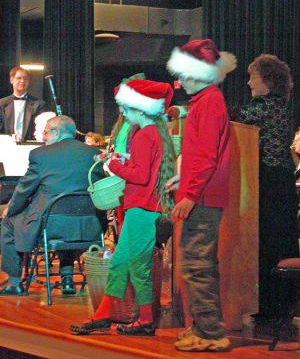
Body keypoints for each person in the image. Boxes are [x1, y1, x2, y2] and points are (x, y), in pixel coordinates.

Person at [70, 79, 175, 336]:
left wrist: (112, 165)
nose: (123, 113)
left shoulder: (143, 135)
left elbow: (139, 176)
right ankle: (103, 315)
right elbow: (148, 169)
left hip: (142, 208)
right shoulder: (156, 133)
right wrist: (122, 159)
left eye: (126, 108)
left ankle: (147, 321)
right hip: (147, 206)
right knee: (119, 263)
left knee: (137, 266)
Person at [165, 39, 237, 352]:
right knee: (199, 263)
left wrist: (189, 193)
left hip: (204, 197)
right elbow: (202, 154)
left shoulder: (209, 102)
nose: (180, 81)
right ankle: (203, 327)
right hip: (203, 192)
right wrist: (183, 177)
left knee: (197, 265)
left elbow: (207, 155)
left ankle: (211, 333)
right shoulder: (206, 101)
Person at [0, 115, 104, 296]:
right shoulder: (91, 154)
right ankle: (67, 279)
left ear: (56, 132)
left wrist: (11, 209)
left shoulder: (40, 154)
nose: (43, 136)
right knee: (68, 223)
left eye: (46, 132)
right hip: (87, 225)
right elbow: (101, 187)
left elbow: (24, 190)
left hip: (50, 226)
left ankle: (15, 282)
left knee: (8, 222)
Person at [233, 54, 299, 322]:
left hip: (271, 181)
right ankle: (278, 305)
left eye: (253, 77)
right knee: (278, 240)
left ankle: (274, 307)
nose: (249, 82)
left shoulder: (266, 107)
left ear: (268, 81)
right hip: (278, 179)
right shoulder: (278, 106)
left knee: (270, 241)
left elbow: (234, 116)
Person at [0, 67, 47, 141]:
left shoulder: (39, 104)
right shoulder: (2, 103)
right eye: (19, 78)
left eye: (25, 78)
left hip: (30, 145)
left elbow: (41, 129)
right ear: (11, 80)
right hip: (7, 146)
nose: (22, 81)